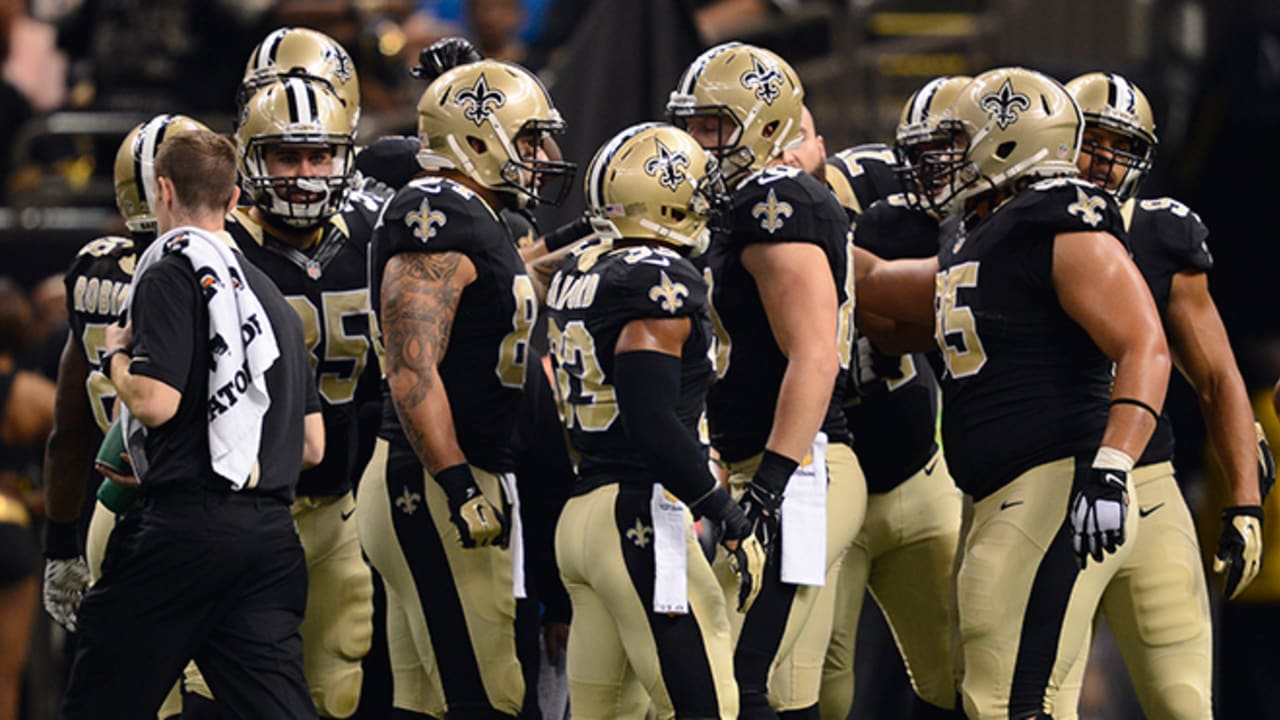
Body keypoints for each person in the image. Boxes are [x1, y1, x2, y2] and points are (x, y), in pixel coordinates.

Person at [853, 66, 1171, 719]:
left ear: (1004, 139)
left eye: (960, 137)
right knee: (992, 688)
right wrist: (812, 235)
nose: (946, 158)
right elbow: (886, 291)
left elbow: (1145, 344)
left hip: (1052, 480)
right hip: (1002, 489)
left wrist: (1112, 467)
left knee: (1007, 696)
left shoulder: (1063, 222)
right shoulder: (989, 233)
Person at [57, 129, 324, 719]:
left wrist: (117, 358)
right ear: (234, 202)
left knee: (99, 700)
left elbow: (155, 403)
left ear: (163, 190)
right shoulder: (272, 297)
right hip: (272, 540)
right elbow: (312, 446)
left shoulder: (170, 269)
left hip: (186, 529)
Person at [357, 57, 574, 719]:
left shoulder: (474, 216)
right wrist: (457, 484)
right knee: (490, 697)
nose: (545, 156)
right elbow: (411, 367)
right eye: (530, 138)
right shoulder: (433, 210)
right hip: (435, 474)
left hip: (444, 471)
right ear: (479, 139)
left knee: (427, 701)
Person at [1056, 70, 1269, 719]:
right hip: (1038, 481)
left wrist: (1244, 502)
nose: (1102, 162)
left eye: (1121, 146)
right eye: (1090, 141)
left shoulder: (1160, 233)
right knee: (1026, 702)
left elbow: (1217, 376)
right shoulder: (1006, 231)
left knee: (1182, 701)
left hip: (1145, 480)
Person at [667, 41, 866, 718]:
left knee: (736, 674)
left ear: (770, 126)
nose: (698, 141)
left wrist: (775, 483)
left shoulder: (774, 200)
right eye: (692, 124)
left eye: (715, 125)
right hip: (761, 463)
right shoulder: (735, 203)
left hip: (801, 470)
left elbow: (815, 354)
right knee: (781, 691)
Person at [547, 121, 765, 719]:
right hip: (640, 516)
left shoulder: (581, 266)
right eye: (696, 190)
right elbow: (651, 422)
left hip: (584, 515)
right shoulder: (658, 280)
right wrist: (727, 514)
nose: (706, 203)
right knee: (705, 710)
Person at [788, 86, 969, 720]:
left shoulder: (882, 187)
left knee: (961, 674)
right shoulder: (735, 229)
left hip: (916, 470)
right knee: (819, 690)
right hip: (817, 479)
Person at [40, 112, 210, 720]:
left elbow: (69, 432)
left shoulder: (94, 269)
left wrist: (60, 542)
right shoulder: (217, 269)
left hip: (110, 516)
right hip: (199, 510)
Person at [227, 74, 382, 719]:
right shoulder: (219, 248)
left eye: (320, 155)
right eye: (285, 156)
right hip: (243, 510)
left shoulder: (379, 234)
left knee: (338, 682)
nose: (305, 174)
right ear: (249, 159)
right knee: (228, 689)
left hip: (342, 506)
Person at [0, 277, 55, 720]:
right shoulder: (33, 396)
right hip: (10, 529)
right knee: (6, 681)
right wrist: (36, 498)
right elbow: (84, 450)